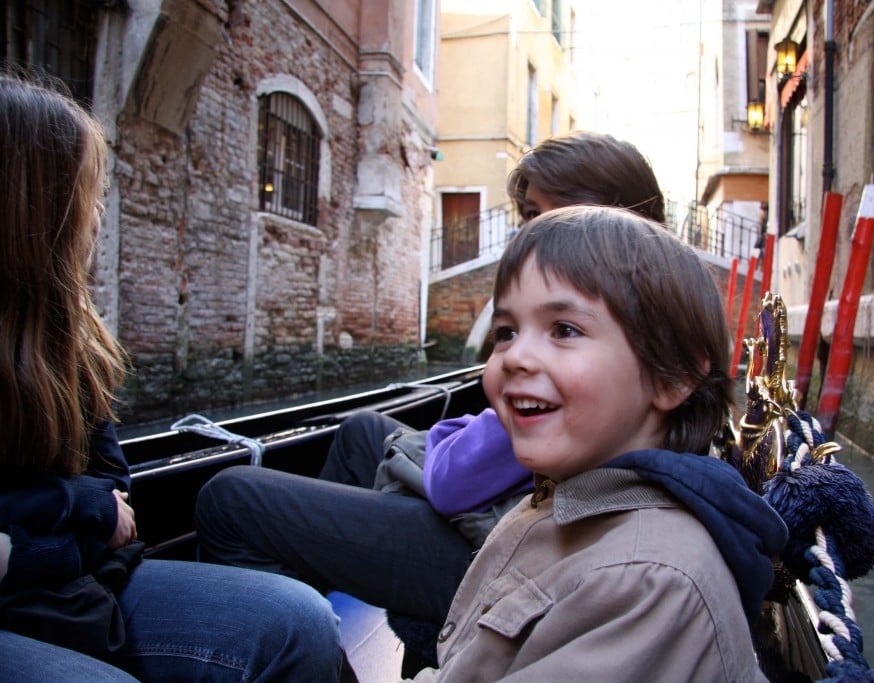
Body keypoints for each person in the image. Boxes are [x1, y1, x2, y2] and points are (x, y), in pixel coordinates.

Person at [194, 130, 669, 662]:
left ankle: (299, 642)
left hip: (516, 552)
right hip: (521, 510)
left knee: (230, 498)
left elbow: (456, 481)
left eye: (537, 215)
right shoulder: (637, 314)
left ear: (605, 216)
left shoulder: (598, 331)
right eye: (526, 218)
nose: (523, 235)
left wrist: (453, 437)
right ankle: (306, 615)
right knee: (359, 432)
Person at [0, 73, 344, 682]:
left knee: (301, 622)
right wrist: (77, 511)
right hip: (55, 576)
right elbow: (100, 504)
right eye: (87, 194)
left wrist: (49, 539)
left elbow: (115, 485)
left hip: (71, 579)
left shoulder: (72, 334)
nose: (99, 215)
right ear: (35, 208)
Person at [410, 205, 788, 681]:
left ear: (674, 377)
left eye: (564, 330)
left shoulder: (647, 581)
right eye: (505, 333)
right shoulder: (564, 493)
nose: (515, 356)